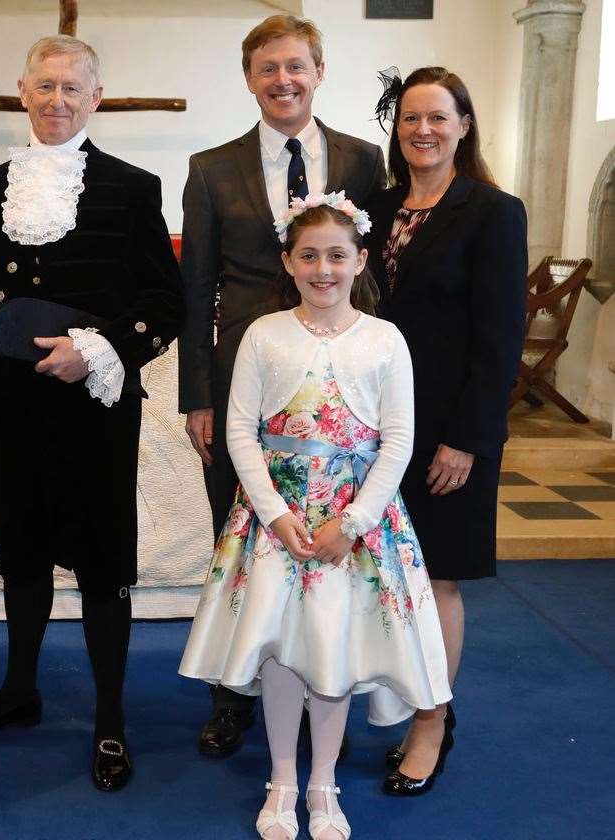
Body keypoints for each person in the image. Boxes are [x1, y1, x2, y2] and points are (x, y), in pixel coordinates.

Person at [0, 35, 183, 792]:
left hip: (94, 411)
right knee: (21, 556)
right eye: (44, 86)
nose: (57, 100)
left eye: (72, 88)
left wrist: (98, 349)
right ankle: (19, 691)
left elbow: (162, 304)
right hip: (11, 409)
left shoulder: (132, 187)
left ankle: (110, 717)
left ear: (96, 98)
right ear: (22, 90)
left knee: (103, 565)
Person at [179, 195, 451, 840]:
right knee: (280, 649)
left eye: (337, 255)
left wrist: (353, 522)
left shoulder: (384, 340)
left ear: (360, 260)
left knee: (330, 646)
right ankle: (280, 778)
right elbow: (241, 431)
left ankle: (323, 782)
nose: (323, 269)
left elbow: (399, 440)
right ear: (287, 261)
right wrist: (272, 514)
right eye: (309, 256)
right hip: (277, 523)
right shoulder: (263, 334)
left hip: (353, 524)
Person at [178, 13, 386, 757]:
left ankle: (330, 679)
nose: (283, 81)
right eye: (267, 68)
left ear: (319, 71)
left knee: (334, 534)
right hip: (243, 377)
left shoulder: (364, 160)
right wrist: (196, 395)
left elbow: (377, 273)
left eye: (296, 66)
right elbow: (194, 286)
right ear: (249, 78)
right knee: (238, 537)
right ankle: (233, 693)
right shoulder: (210, 167)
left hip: (336, 386)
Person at [364, 66, 527, 796]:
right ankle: (391, 703)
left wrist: (468, 439)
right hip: (373, 432)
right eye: (409, 119)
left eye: (437, 117)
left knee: (435, 580)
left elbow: (500, 340)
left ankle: (432, 720)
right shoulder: (375, 207)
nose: (422, 130)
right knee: (381, 580)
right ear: (395, 132)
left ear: (464, 125)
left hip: (449, 435)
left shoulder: (493, 212)